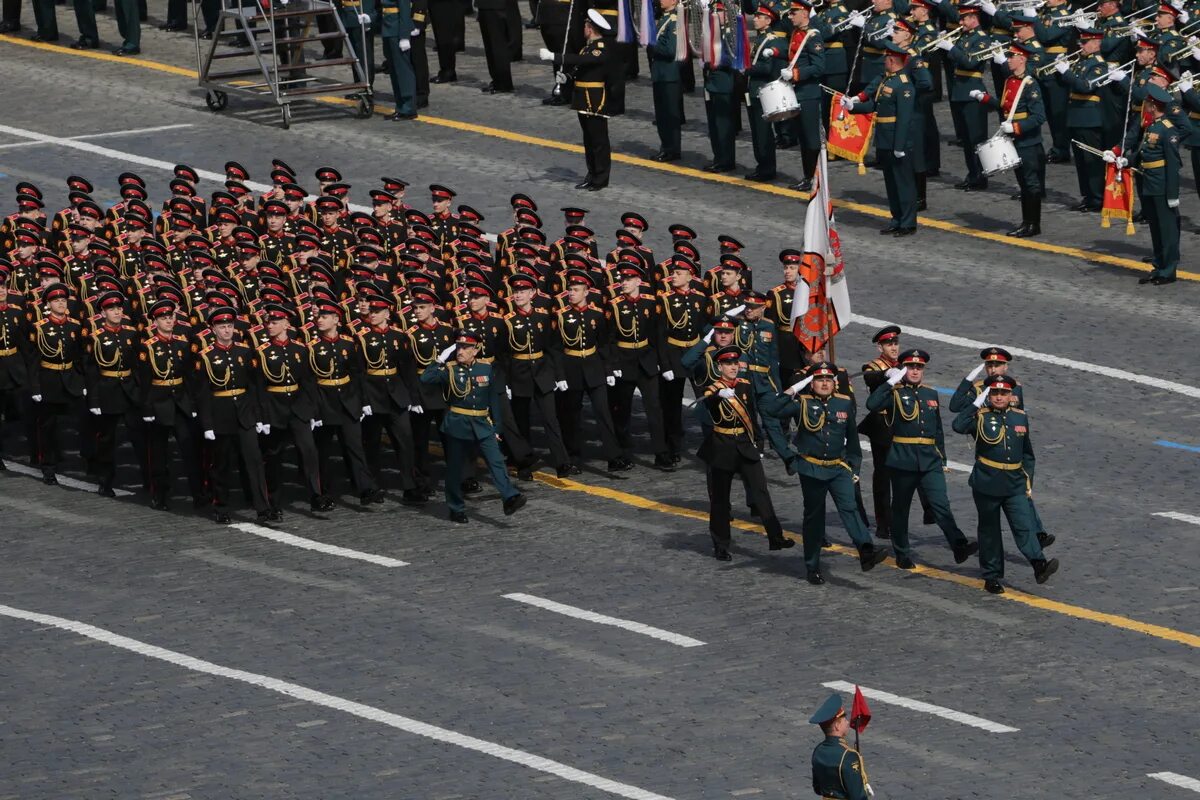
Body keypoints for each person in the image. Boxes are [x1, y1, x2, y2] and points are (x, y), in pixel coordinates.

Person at [771, 363, 889, 584]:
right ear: (811, 384)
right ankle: (812, 565)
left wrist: (854, 466)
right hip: (812, 468)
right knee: (814, 518)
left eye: (828, 379)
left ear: (834, 382)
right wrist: (794, 389)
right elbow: (771, 409)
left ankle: (866, 551)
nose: (824, 383)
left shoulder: (843, 403)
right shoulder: (801, 403)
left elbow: (852, 439)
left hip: (838, 467)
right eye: (818, 380)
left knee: (850, 508)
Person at [865, 348, 979, 569]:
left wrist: (942, 458)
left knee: (941, 505)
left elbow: (937, 429)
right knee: (901, 509)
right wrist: (889, 383)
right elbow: (872, 405)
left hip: (930, 460)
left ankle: (958, 545)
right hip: (903, 460)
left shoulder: (930, 394)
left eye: (919, 367)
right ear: (902, 369)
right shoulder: (894, 393)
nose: (915, 371)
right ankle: (902, 552)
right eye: (910, 367)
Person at [952, 373, 1059, 594]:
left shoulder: (1020, 417)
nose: (999, 397)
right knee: (990, 531)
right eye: (995, 393)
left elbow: (1028, 454)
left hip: (1014, 484)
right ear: (988, 394)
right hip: (987, 483)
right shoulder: (979, 416)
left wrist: (1027, 480)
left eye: (1003, 393)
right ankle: (991, 576)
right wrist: (975, 404)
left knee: (1024, 525)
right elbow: (957, 425)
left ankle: (1039, 564)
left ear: (1011, 395)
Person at [695, 345, 794, 560]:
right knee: (720, 500)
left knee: (761, 492)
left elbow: (751, 415)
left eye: (735, 363)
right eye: (728, 364)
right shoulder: (713, 388)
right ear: (719, 366)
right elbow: (705, 404)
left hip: (745, 444)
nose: (733, 367)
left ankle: (775, 536)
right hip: (721, 446)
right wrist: (718, 395)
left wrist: (758, 442)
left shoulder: (745, 385)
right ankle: (721, 544)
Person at [419, 331, 528, 523]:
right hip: (458, 423)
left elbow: (493, 399)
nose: (460, 351)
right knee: (455, 468)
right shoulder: (450, 369)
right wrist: (440, 359)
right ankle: (456, 507)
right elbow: (426, 379)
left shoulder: (485, 369)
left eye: (465, 347)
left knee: (496, 461)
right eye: (458, 347)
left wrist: (497, 427)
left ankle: (510, 496)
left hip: (482, 423)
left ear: (475, 350)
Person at [193, 307, 273, 524]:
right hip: (221, 414)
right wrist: (207, 424)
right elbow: (203, 393)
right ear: (213, 329)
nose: (227, 330)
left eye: (229, 326)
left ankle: (263, 507)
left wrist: (261, 416)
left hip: (245, 413)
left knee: (254, 461)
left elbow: (256, 387)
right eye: (222, 327)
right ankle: (221, 506)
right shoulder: (205, 357)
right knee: (222, 464)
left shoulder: (245, 352)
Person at [971, 42, 1046, 237]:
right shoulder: (1009, 81)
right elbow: (1005, 107)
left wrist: (1016, 127)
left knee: (1030, 183)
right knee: (1023, 183)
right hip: (1013, 138)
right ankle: (1026, 222)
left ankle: (1033, 224)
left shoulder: (1030, 84)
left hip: (1027, 141)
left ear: (1022, 59)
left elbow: (1038, 117)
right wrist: (985, 98)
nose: (1009, 59)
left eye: (1012, 56)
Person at [844, 41, 918, 236]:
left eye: (886, 57)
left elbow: (904, 118)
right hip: (884, 139)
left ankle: (908, 222)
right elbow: (875, 106)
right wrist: (853, 107)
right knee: (891, 183)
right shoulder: (887, 80)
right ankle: (896, 219)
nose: (884, 60)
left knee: (903, 183)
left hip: (897, 140)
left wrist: (900, 145)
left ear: (892, 59)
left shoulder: (904, 85)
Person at [540, 9, 614, 190]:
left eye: (585, 26)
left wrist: (554, 56)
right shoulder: (588, 47)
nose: (583, 29)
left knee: (599, 142)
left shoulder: (600, 48)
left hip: (595, 100)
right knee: (589, 141)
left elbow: (582, 61)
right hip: (583, 100)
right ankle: (592, 174)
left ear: (590, 28)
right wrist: (568, 78)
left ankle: (601, 178)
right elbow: (580, 69)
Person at [22, 283, 85, 485]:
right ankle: (48, 467)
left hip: (71, 379)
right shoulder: (39, 328)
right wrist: (35, 387)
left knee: (85, 422)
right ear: (48, 304)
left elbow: (80, 357)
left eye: (63, 300)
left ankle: (88, 460)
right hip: (48, 380)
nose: (60, 303)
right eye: (56, 300)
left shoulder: (75, 326)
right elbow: (33, 361)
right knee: (48, 427)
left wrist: (82, 381)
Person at [83, 290, 140, 498]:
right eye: (111, 309)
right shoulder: (96, 338)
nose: (116, 312)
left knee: (140, 435)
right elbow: (91, 370)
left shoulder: (131, 334)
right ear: (102, 313)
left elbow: (137, 365)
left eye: (118, 308)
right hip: (107, 389)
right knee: (107, 439)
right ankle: (105, 481)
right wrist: (94, 399)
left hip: (129, 389)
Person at [1125, 83, 1181, 285]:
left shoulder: (1168, 130)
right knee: (1155, 228)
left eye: (1148, 102)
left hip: (1162, 186)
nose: (1145, 105)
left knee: (1167, 230)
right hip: (1149, 182)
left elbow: (1174, 165)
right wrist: (1126, 160)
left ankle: (1168, 270)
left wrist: (1173, 194)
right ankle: (1158, 266)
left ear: (1153, 105)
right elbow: (1143, 153)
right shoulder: (1151, 127)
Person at [935, 2, 991, 191]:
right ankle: (972, 174)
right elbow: (956, 58)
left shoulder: (982, 39)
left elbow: (969, 62)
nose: (961, 22)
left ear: (974, 19)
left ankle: (981, 176)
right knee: (967, 140)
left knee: (977, 138)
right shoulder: (964, 36)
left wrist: (951, 48)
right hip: (960, 89)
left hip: (973, 89)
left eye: (964, 18)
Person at [1055, 27, 1107, 212]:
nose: (1081, 46)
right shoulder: (1081, 62)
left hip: (1089, 117)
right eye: (1081, 42)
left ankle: (1098, 198)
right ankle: (1088, 196)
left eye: (1085, 43)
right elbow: (1069, 83)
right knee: (1080, 161)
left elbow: (1085, 87)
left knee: (1091, 161)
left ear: (1097, 43)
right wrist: (1059, 70)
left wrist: (1067, 72)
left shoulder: (1099, 65)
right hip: (1076, 115)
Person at [781, 0, 826, 192]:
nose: (790, 16)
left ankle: (814, 177)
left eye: (793, 13)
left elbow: (819, 67)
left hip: (808, 93)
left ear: (805, 14)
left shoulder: (813, 36)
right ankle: (807, 175)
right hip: (796, 91)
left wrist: (797, 74)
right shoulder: (796, 33)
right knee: (802, 136)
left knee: (811, 138)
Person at [744, 5, 787, 181]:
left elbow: (767, 68)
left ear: (768, 20)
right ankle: (762, 164)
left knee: (763, 133)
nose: (754, 19)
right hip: (755, 90)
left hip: (762, 90)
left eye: (759, 16)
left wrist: (746, 69)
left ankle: (767, 167)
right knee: (756, 131)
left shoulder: (771, 40)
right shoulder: (762, 38)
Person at [703, 1, 741, 173]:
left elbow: (732, 58)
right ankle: (718, 157)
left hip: (724, 83)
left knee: (723, 125)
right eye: (715, 12)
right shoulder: (713, 32)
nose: (716, 15)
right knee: (714, 125)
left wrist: (712, 59)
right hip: (712, 83)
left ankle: (726, 160)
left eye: (719, 12)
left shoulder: (731, 33)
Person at [809, 694, 871, 800]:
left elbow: (817, 788)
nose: (847, 722)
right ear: (837, 726)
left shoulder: (818, 751)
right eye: (844, 720)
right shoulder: (849, 755)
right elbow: (858, 796)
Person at [649, 0, 684, 163]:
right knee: (662, 115)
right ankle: (666, 146)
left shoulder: (674, 20)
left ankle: (672, 149)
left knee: (670, 115)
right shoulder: (664, 18)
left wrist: (652, 46)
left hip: (669, 75)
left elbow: (671, 50)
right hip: (660, 74)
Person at [381, 0, 419, 120]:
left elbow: (405, 10)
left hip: (397, 28)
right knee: (394, 71)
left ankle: (409, 108)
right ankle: (401, 106)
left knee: (403, 71)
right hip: (387, 27)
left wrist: (404, 36)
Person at [478, 0, 516, 93]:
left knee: (496, 44)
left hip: (495, 5)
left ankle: (502, 83)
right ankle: (499, 81)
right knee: (492, 45)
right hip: (491, 5)